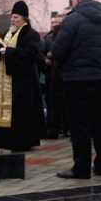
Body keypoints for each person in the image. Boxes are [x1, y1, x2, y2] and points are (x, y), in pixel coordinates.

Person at [52, 0, 101, 179]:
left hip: (76, 79)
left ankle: (81, 168)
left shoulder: (73, 19)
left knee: (79, 125)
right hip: (100, 77)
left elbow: (58, 50)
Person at [0, 1, 45, 151]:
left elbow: (30, 55)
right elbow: (2, 48)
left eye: (16, 17)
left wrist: (8, 52)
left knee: (21, 111)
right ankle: (5, 139)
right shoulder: (9, 33)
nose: (12, 20)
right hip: (9, 78)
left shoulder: (31, 34)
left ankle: (22, 141)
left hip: (24, 81)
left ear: (24, 18)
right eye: (12, 17)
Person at [42, 10, 67, 139]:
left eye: (57, 22)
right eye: (53, 22)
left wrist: (52, 55)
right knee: (51, 102)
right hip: (50, 74)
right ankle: (53, 128)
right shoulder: (47, 37)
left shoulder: (64, 35)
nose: (54, 25)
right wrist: (45, 59)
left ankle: (61, 128)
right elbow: (42, 53)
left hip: (61, 73)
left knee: (60, 103)